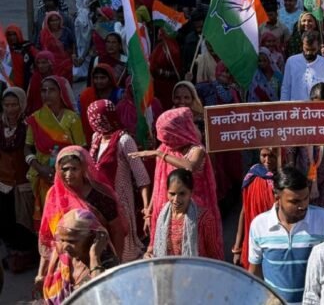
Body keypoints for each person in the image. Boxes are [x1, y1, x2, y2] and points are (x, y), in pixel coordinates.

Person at [130, 107, 223, 260]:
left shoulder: (196, 150)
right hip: (169, 213)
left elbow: (190, 166)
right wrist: (149, 211)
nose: (164, 141)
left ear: (176, 132)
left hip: (195, 214)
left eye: (167, 136)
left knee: (198, 250)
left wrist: (160, 154)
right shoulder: (166, 149)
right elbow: (159, 185)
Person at [37, 146, 126, 293]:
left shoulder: (101, 195)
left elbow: (117, 230)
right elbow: (49, 238)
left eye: (74, 169)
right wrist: (42, 273)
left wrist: (117, 263)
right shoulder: (54, 195)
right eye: (64, 169)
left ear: (84, 168)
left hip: (95, 257)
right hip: (64, 261)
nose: (68, 174)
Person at [246, 166, 324, 304]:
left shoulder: (323, 220)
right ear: (277, 196)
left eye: (306, 198)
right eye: (294, 201)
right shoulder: (259, 225)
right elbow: (254, 270)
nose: (303, 205)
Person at [87, 100, 151, 262]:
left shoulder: (124, 141)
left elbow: (141, 177)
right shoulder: (96, 138)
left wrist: (146, 209)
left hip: (120, 199)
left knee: (124, 243)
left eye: (99, 119)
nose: (95, 123)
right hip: (99, 200)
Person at [25, 76, 85, 225]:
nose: (47, 94)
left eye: (51, 90)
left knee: (68, 219)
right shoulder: (35, 118)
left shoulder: (72, 118)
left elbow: (81, 149)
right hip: (42, 176)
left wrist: (62, 169)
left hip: (68, 176)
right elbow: (27, 147)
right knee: (49, 218)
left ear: (61, 93)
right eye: (43, 90)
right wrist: (41, 168)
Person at [40, 209, 118, 304]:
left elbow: (101, 297)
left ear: (92, 238)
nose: (65, 247)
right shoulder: (64, 259)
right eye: (62, 240)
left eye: (72, 241)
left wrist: (94, 257)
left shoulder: (108, 262)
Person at [0, 87, 37, 272]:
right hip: (3, 183)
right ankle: (15, 255)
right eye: (6, 105)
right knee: (7, 221)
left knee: (25, 222)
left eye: (14, 104)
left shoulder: (29, 125)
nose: (10, 109)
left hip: (24, 183)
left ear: (21, 104)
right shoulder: (0, 126)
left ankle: (28, 256)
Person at [147, 168, 221, 259]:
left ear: (191, 193)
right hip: (167, 271)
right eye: (172, 194)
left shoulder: (205, 218)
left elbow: (214, 254)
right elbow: (153, 245)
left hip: (195, 271)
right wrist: (149, 255)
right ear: (167, 192)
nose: (176, 199)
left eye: (182, 194)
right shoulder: (161, 214)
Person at [232, 147, 276, 269]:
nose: (267, 160)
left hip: (275, 241)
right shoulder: (252, 176)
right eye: (264, 155)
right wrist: (237, 248)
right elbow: (244, 212)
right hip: (253, 239)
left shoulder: (284, 181)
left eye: (272, 156)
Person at [281, 31, 324, 101]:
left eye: (313, 50)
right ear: (302, 45)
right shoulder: (291, 62)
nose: (309, 52)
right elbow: (286, 88)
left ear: (319, 46)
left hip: (318, 108)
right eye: (306, 49)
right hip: (296, 108)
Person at [78, 64, 121, 142]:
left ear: (110, 79)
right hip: (94, 135)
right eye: (96, 78)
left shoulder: (119, 94)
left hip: (117, 135)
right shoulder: (86, 95)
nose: (99, 81)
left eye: (103, 78)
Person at [39, 11, 75, 82]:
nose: (55, 22)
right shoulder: (44, 34)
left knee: (65, 84)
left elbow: (73, 44)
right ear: (48, 22)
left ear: (60, 20)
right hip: (50, 65)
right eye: (52, 20)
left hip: (65, 65)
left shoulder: (66, 31)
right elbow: (39, 48)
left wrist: (73, 55)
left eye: (56, 20)